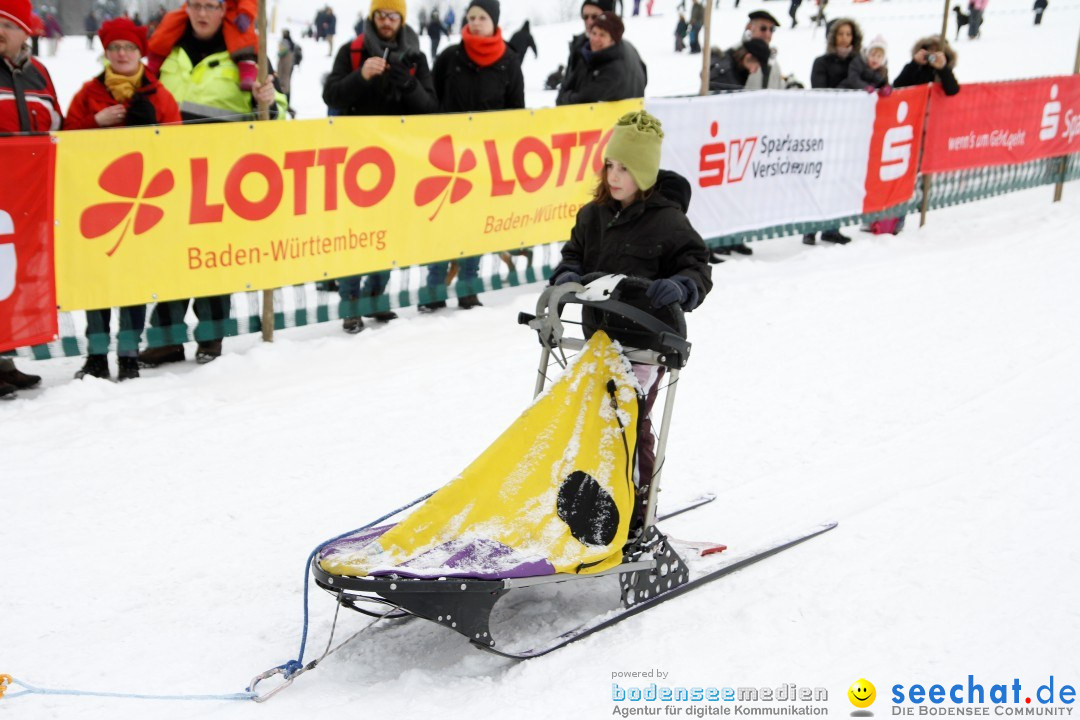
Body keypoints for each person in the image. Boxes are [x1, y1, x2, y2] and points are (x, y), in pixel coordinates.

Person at [549, 110, 712, 508]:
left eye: (625, 168)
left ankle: (638, 506)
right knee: (587, 420)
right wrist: (568, 275)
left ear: (644, 172)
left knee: (628, 423)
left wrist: (679, 287)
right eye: (609, 166)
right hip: (599, 339)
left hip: (645, 346)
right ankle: (590, 503)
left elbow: (697, 267)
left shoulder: (669, 222)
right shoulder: (592, 216)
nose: (614, 176)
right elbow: (574, 255)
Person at [137, 0, 286, 368]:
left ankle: (211, 337)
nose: (203, 14)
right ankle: (165, 339)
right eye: (197, 5)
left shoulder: (249, 53)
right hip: (168, 173)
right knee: (172, 255)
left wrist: (267, 99)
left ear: (225, 10)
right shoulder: (166, 50)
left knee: (212, 257)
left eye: (212, 6)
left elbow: (279, 110)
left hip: (221, 174)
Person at [65, 18, 183, 381]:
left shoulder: (158, 95)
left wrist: (154, 132)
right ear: (106, 52)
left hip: (143, 203)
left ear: (139, 52)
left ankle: (129, 354)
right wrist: (94, 123)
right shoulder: (88, 94)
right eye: (115, 48)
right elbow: (64, 142)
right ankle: (97, 355)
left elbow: (178, 148)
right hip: (95, 202)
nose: (121, 54)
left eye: (128, 48)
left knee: (133, 280)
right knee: (97, 281)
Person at [323, 0, 437, 333]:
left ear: (401, 20)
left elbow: (431, 108)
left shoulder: (416, 56)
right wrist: (361, 77)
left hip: (399, 163)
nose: (387, 22)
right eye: (381, 15)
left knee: (389, 231)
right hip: (354, 163)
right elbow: (331, 95)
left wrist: (408, 84)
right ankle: (350, 305)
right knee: (354, 234)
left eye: (393, 16)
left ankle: (375, 298)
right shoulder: (352, 51)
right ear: (372, 17)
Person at [421, 0, 524, 312]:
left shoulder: (509, 61)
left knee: (475, 225)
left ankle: (468, 289)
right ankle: (434, 290)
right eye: (471, 17)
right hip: (446, 157)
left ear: (494, 22)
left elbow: (517, 111)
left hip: (486, 160)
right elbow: (432, 99)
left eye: (482, 17)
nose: (476, 22)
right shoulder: (449, 57)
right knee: (442, 223)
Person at [0, 0, 61, 398]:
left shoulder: (40, 74)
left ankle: (5, 360)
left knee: (13, 282)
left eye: (6, 24)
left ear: (25, 31)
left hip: (27, 200)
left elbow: (57, 125)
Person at [805, 17, 862, 246]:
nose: (845, 38)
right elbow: (819, 89)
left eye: (849, 34)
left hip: (850, 128)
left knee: (840, 179)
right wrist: (849, 86)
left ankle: (832, 227)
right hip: (825, 125)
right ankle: (808, 228)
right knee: (819, 179)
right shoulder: (822, 62)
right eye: (841, 34)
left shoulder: (859, 62)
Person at [147, 0, 258, 91]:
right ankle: (154, 63)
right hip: (195, 4)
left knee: (242, 34)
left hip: (230, 8)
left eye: (209, 7)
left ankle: (247, 68)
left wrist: (246, 12)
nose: (202, 14)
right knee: (170, 22)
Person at [558, 0, 647, 105]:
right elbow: (566, 87)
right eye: (585, 17)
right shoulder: (584, 49)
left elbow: (586, 100)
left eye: (594, 16)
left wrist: (567, 98)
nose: (589, 21)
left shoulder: (614, 58)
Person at [893, 35, 960, 96]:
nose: (933, 53)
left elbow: (953, 90)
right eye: (930, 49)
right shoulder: (917, 68)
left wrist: (943, 69)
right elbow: (897, 85)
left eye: (937, 50)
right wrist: (914, 63)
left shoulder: (945, 70)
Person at [277, 28, 296, 102]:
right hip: (289, 66)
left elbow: (282, 51)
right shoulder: (291, 42)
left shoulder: (284, 42)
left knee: (284, 83)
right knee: (287, 82)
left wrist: (279, 53)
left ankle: (284, 100)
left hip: (284, 67)